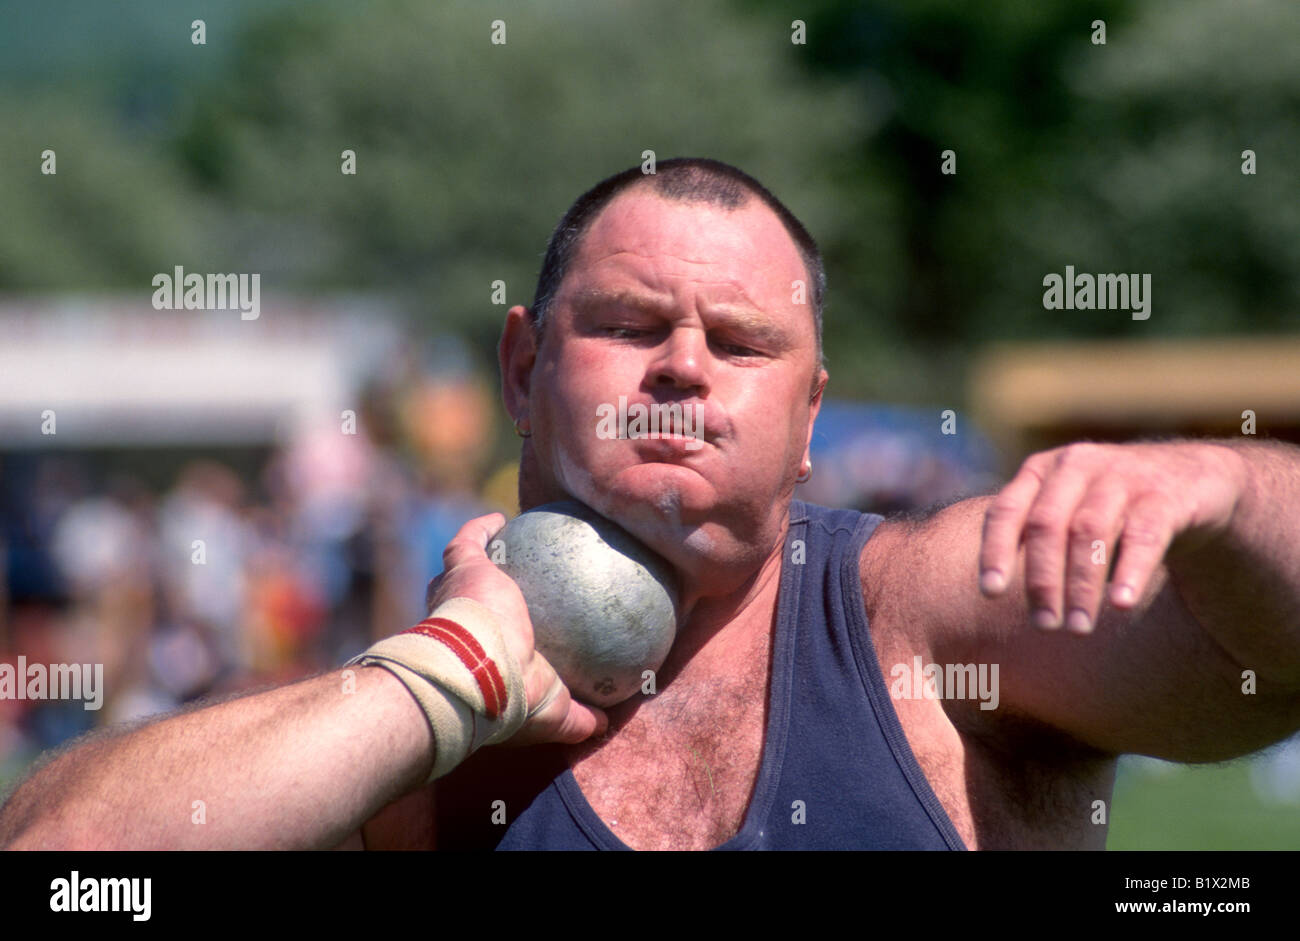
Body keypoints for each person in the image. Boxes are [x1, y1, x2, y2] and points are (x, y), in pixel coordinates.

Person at [2, 158, 1298, 850]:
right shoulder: (422, 728)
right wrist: (449, 677)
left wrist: (1230, 488)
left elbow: (1273, 669)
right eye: (628, 325)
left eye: (740, 342)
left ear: (808, 415)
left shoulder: (932, 623)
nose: (682, 364)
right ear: (521, 366)